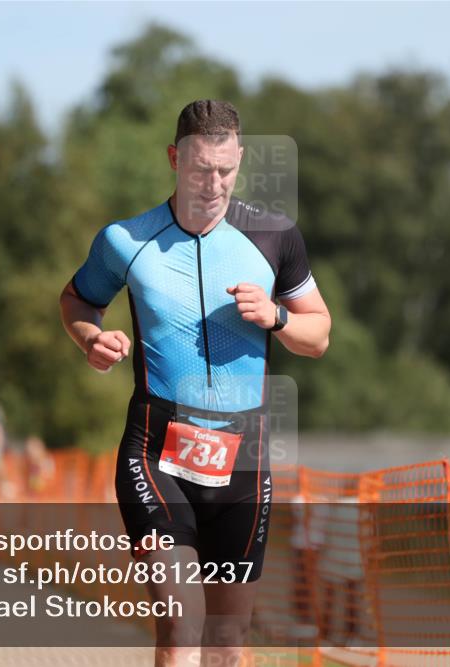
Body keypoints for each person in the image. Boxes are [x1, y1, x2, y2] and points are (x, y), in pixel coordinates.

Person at [60, 99, 331, 667]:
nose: (214, 184)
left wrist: (278, 318)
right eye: (200, 169)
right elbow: (78, 299)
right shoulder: (126, 240)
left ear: (241, 160)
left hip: (243, 459)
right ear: (173, 160)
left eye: (226, 170)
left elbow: (320, 334)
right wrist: (91, 339)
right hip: (157, 450)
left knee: (229, 642)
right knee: (182, 625)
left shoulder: (274, 235)